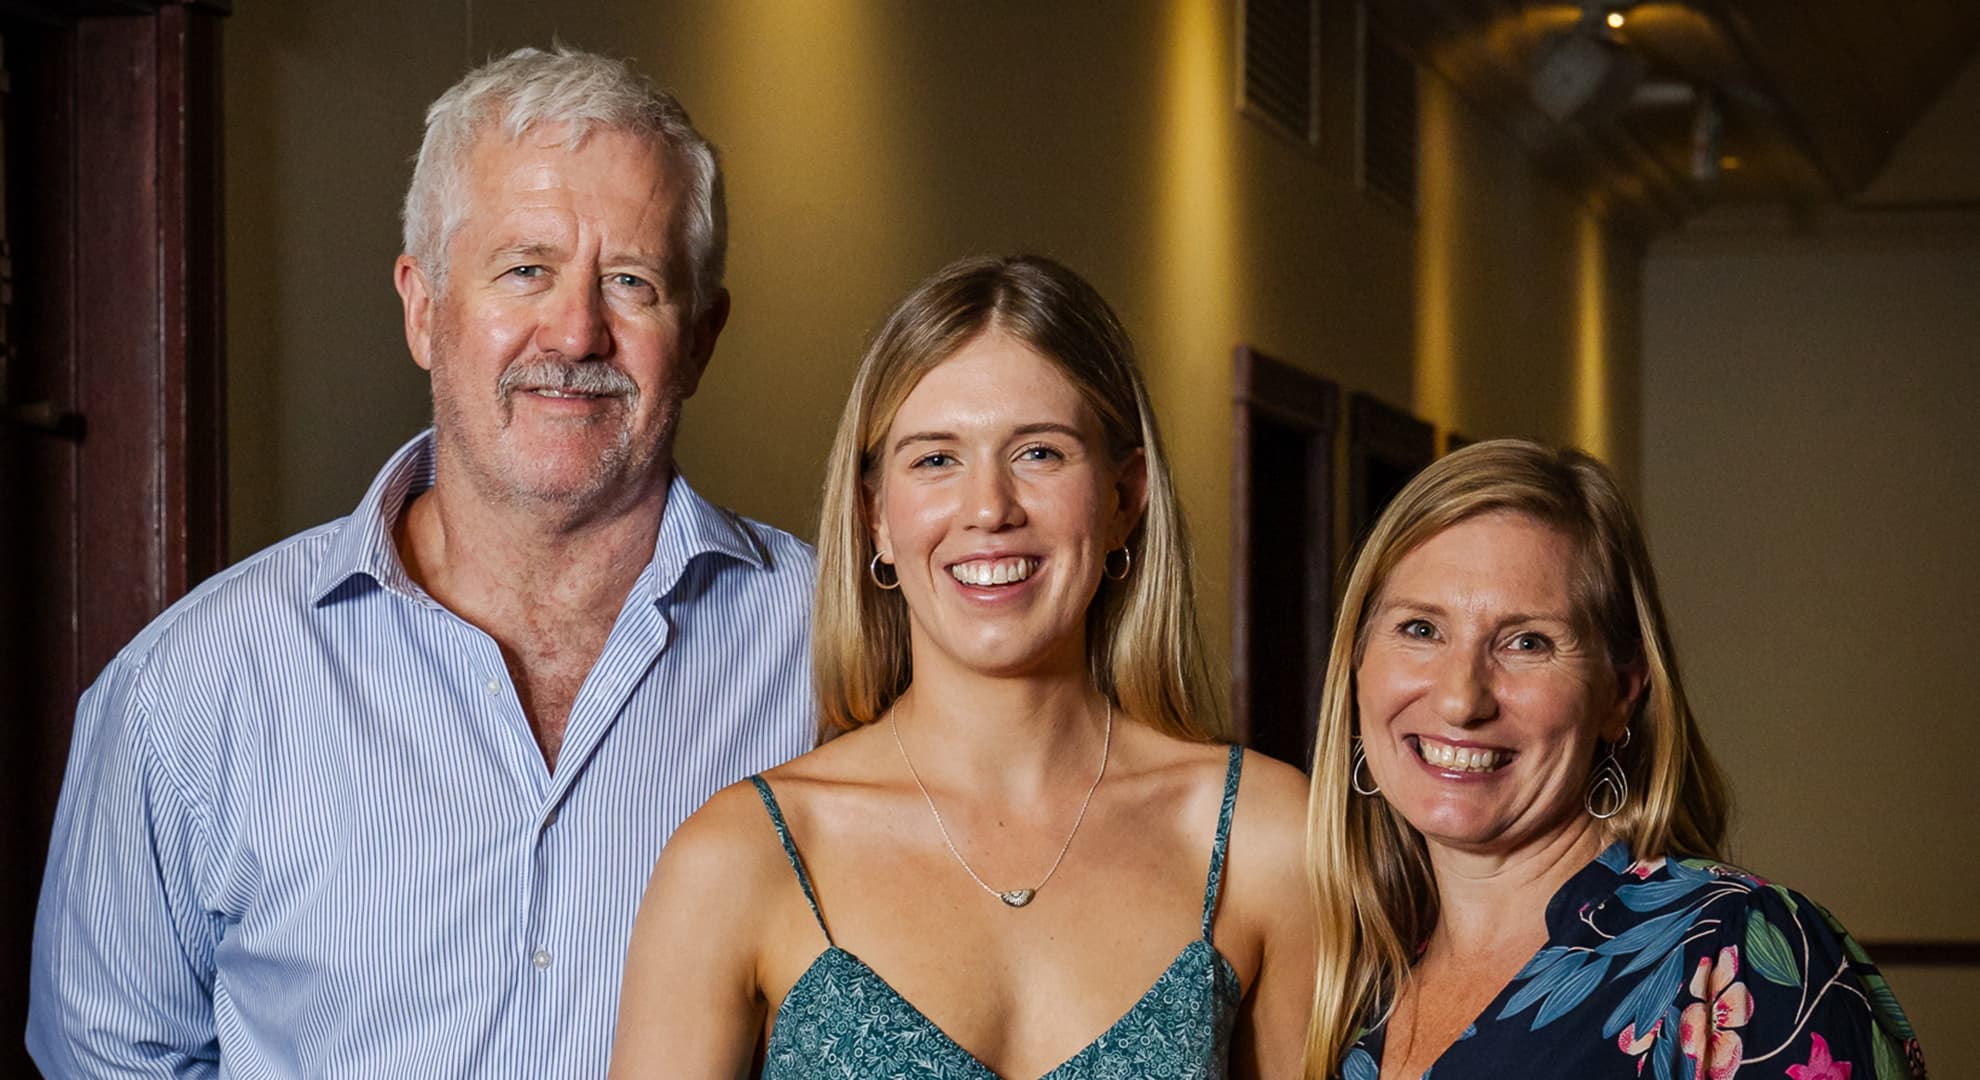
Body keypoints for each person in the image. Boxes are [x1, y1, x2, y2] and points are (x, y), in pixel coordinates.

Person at [28, 46, 815, 1077]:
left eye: (631, 282)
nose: (575, 329)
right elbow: (107, 1060)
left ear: (702, 336)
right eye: (525, 269)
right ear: (423, 306)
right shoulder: (190, 692)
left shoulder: (832, 651)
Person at [611, 254, 1316, 1077]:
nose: (989, 509)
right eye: (936, 459)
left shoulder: (1265, 839)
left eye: (1041, 454)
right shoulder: (742, 856)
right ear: (876, 516)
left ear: (1125, 499)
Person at [1301, 439, 1927, 1079]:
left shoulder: (1737, 949)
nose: (1462, 699)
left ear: (1620, 695)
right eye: (1420, 629)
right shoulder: (1352, 982)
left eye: (1527, 641)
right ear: (1355, 662)